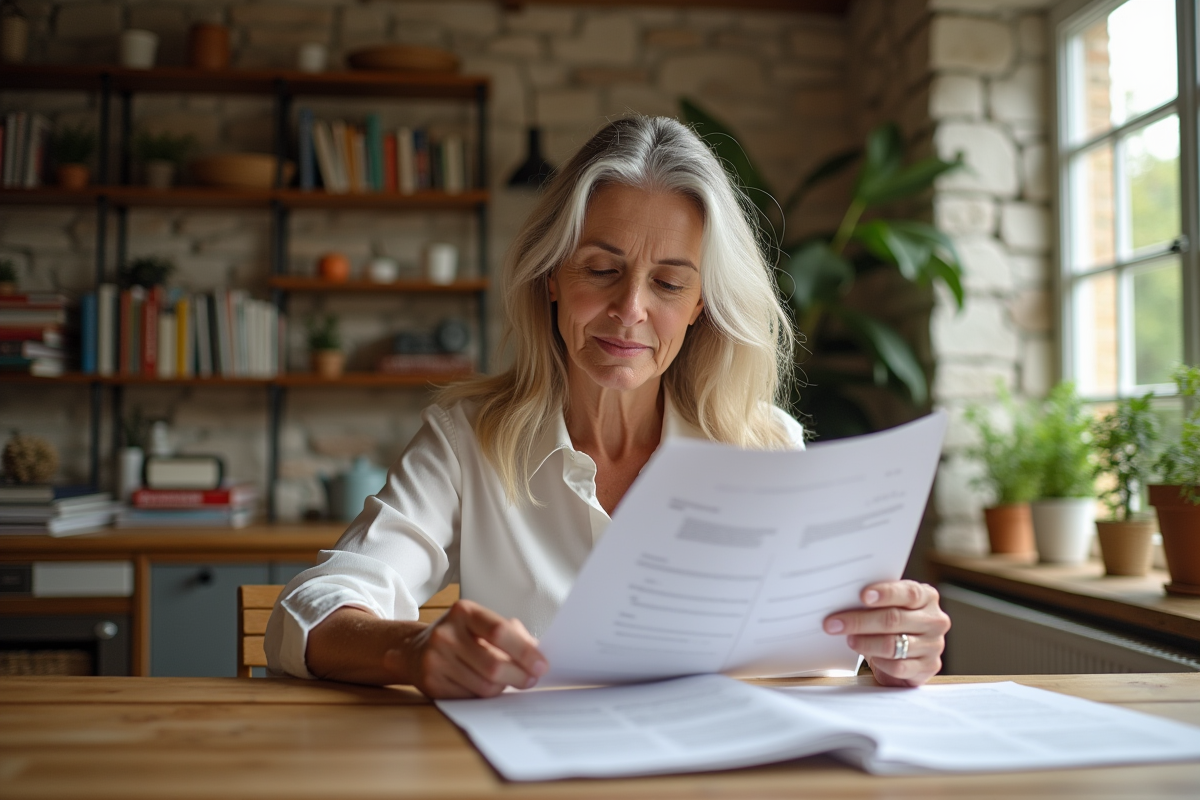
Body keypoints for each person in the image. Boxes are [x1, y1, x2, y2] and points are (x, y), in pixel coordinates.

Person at [265, 116, 950, 697]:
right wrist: (410, 650)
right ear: (553, 275)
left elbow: (815, 663)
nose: (630, 311)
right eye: (601, 270)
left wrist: (890, 648)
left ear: (701, 303)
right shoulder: (468, 438)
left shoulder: (765, 444)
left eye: (670, 283)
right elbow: (305, 611)